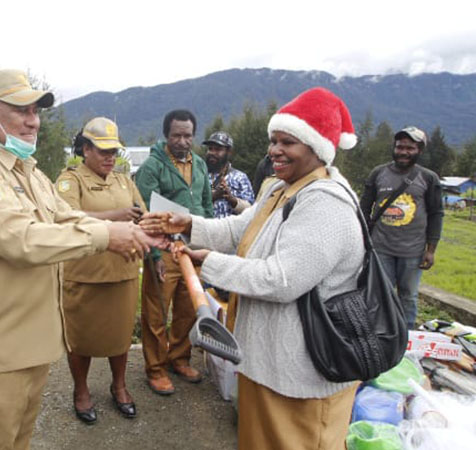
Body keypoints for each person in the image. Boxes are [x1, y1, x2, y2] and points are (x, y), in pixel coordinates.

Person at [0, 69, 164, 450]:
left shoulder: (29, 171)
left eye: (36, 111)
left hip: (26, 348)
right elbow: (20, 239)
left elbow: (67, 217)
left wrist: (134, 234)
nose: (33, 121)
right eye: (20, 110)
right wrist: (108, 234)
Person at [141, 87, 365, 449]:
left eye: (287, 142)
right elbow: (237, 229)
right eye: (273, 140)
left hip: (301, 376)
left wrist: (208, 263)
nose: (274, 150)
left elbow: (282, 279)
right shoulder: (280, 188)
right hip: (268, 365)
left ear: (318, 147)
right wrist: (186, 225)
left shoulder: (326, 203)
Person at [55, 117, 146, 424]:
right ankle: (81, 391)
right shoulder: (70, 180)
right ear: (85, 149)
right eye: (103, 151)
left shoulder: (124, 180)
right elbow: (65, 218)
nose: (110, 157)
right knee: (80, 339)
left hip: (122, 272)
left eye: (114, 151)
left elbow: (142, 215)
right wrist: (117, 215)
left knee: (120, 337)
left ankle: (119, 386)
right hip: (85, 275)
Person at [134, 109, 213, 395]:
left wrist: (206, 242)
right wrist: (154, 256)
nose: (183, 141)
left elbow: (207, 206)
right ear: (167, 135)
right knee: (156, 312)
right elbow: (144, 213)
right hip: (164, 249)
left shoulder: (201, 165)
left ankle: (178, 358)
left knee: (187, 309)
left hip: (191, 249)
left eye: (188, 135)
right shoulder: (153, 167)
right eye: (177, 135)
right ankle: (155, 369)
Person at [360, 127, 443, 329]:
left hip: (412, 251)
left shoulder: (428, 178)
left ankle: (407, 336)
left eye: (410, 148)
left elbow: (436, 214)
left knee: (409, 296)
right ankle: (380, 334)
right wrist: (362, 240)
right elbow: (363, 208)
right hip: (381, 248)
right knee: (380, 294)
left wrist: (430, 250)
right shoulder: (378, 173)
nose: (403, 152)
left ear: (419, 151)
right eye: (399, 147)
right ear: (394, 148)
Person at [203, 131, 254, 218]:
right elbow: (190, 205)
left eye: (218, 149)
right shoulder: (199, 176)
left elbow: (251, 211)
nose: (212, 153)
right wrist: (213, 196)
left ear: (229, 152)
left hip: (231, 230)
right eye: (210, 149)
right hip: (204, 229)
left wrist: (232, 200)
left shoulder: (240, 178)